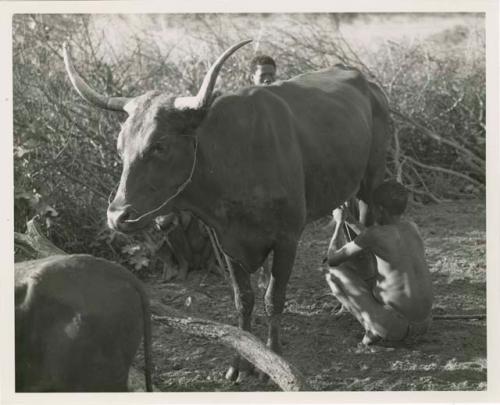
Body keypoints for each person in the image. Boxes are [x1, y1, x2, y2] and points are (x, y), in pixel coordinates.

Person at [325, 180, 433, 345]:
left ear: (380, 209)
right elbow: (373, 238)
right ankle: (381, 322)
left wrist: (339, 223)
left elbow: (332, 259)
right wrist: (351, 220)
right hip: (425, 323)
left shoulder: (375, 235)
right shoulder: (412, 228)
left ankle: (372, 328)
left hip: (396, 327)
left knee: (332, 274)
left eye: (374, 208)